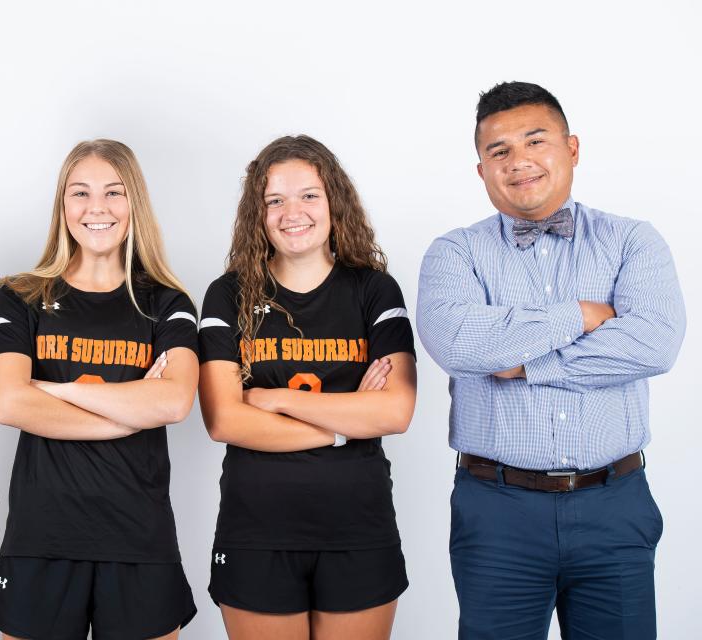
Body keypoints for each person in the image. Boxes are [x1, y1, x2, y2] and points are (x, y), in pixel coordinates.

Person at [417, 81, 686, 639]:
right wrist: (581, 315)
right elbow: (457, 345)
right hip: (496, 511)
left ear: (572, 149)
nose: (519, 162)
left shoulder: (633, 241)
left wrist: (524, 361)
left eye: (535, 141)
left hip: (616, 503)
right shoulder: (455, 252)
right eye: (500, 151)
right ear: (481, 170)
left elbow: (654, 342)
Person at [198, 135, 417, 640]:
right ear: (258, 212)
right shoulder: (228, 293)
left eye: (308, 195)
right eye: (274, 200)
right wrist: (346, 422)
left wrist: (277, 400)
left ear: (335, 202)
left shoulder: (373, 288)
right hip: (256, 531)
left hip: (358, 528)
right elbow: (225, 420)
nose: (291, 212)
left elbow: (396, 411)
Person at [0, 139, 199, 640]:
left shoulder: (167, 302)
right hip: (42, 539)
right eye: (80, 193)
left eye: (114, 193)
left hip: (139, 542)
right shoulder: (22, 297)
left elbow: (173, 401)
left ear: (134, 205)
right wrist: (128, 412)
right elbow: (9, 401)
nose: (96, 208)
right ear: (63, 205)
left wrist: (50, 389)